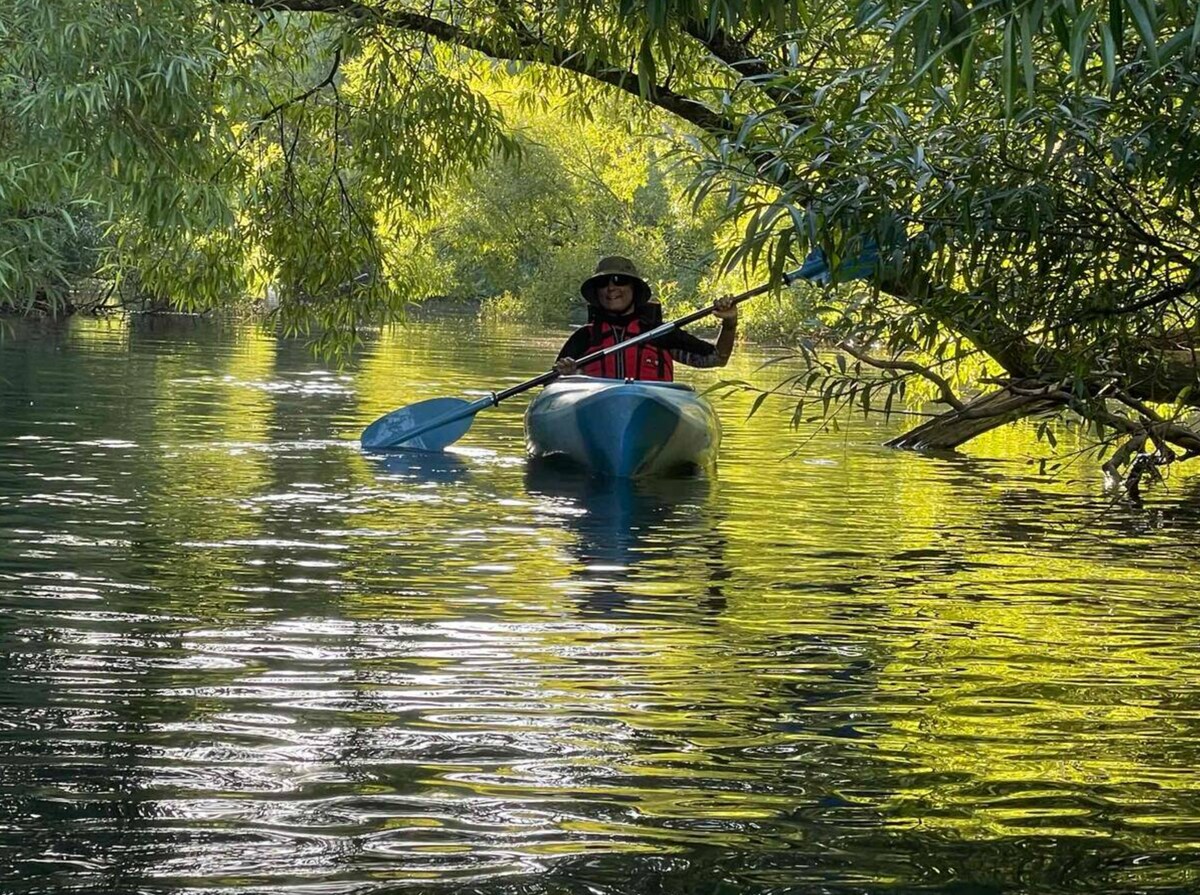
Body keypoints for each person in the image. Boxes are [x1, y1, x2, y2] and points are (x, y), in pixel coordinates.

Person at [553, 257, 738, 381]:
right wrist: (570, 376)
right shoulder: (584, 337)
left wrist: (729, 324)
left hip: (650, 413)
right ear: (596, 292)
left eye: (619, 280)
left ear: (634, 289)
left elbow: (717, 358)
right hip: (594, 410)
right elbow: (552, 386)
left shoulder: (660, 333)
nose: (611, 288)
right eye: (603, 283)